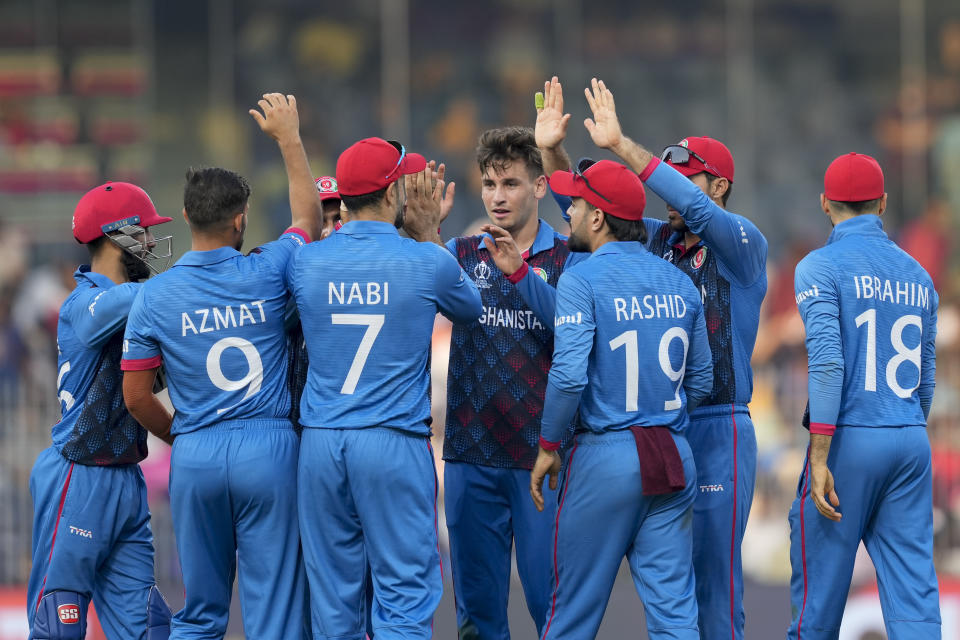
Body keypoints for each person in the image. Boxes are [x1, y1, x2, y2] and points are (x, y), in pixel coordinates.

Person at [534, 77, 768, 640]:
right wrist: (551, 151)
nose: (674, 195)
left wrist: (623, 146)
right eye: (672, 182)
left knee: (714, 588)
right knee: (676, 599)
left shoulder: (742, 246)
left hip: (719, 428)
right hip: (670, 429)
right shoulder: (659, 243)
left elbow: (641, 203)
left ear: (721, 186)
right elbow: (594, 212)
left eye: (690, 182)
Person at [122, 93, 319, 638]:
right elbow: (308, 218)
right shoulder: (270, 268)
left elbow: (136, 396)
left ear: (185, 215)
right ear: (242, 219)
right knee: (274, 611)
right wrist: (289, 138)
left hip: (197, 454)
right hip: (269, 449)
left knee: (201, 613)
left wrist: (181, 437)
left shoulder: (154, 297)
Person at [288, 136, 482, 639]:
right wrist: (428, 232)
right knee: (404, 598)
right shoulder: (426, 261)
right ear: (395, 190)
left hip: (322, 442)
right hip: (393, 441)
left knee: (333, 605)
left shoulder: (305, 263)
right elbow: (470, 309)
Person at [409, 125, 584, 640]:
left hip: (541, 462)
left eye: (509, 183)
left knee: (553, 613)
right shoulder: (463, 254)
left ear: (540, 187)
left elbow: (574, 331)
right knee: (477, 621)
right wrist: (425, 237)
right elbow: (409, 286)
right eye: (489, 184)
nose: (497, 196)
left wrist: (518, 276)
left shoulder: (569, 257)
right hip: (470, 458)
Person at [529, 159, 712, 639]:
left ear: (598, 218)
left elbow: (568, 377)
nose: (568, 212)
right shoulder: (681, 282)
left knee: (571, 614)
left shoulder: (581, 278)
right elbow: (702, 381)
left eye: (577, 204)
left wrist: (548, 446)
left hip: (605, 456)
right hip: (671, 453)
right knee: (675, 617)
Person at [787, 153, 941, 639]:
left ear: (825, 204)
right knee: (914, 603)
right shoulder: (919, 275)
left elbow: (830, 365)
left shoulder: (819, 267)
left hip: (849, 441)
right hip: (909, 437)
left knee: (817, 608)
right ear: (884, 204)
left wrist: (819, 454)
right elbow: (927, 378)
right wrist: (904, 426)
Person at [27, 181, 174, 639]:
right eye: (144, 232)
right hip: (77, 476)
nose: (151, 242)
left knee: (149, 627)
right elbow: (103, 313)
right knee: (60, 623)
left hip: (126, 479)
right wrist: (192, 277)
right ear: (115, 235)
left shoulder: (139, 302)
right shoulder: (81, 304)